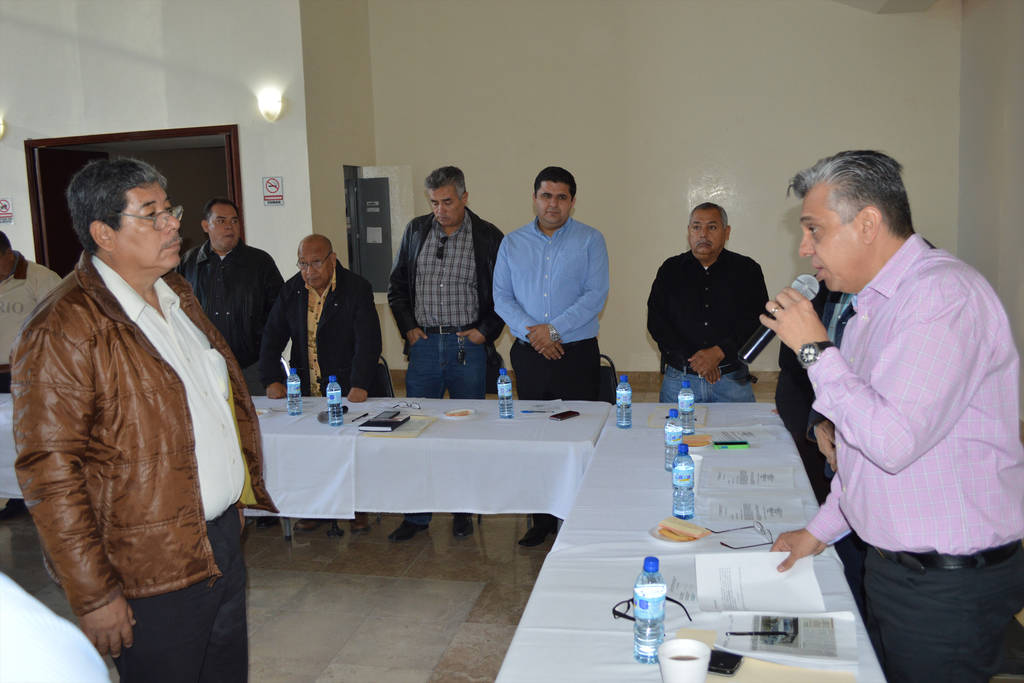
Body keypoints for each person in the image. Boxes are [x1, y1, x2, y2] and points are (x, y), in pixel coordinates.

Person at [11, 158, 277, 682]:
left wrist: (231, 498)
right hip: (148, 565)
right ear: (103, 234)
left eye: (170, 209)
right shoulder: (63, 327)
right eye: (152, 214)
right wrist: (93, 594)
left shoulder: (177, 296)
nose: (173, 223)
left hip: (219, 541)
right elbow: (50, 473)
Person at [766, 150, 1024, 683]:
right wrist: (819, 531)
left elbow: (891, 441)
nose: (804, 248)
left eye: (814, 229)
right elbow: (861, 450)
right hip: (894, 568)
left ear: (867, 224)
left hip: (945, 585)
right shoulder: (873, 306)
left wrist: (814, 350)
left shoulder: (942, 296)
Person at [386, 166, 505, 542]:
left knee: (466, 434)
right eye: (434, 203)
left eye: (447, 202)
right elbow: (397, 287)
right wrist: (408, 326)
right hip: (423, 347)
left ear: (465, 197)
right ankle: (416, 515)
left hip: (466, 346)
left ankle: (462, 509)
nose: (440, 210)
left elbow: (505, 294)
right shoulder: (415, 231)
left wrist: (485, 331)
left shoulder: (488, 236)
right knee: (416, 430)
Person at [493, 166, 609, 546]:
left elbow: (595, 295)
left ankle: (576, 518)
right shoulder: (512, 243)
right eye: (546, 195)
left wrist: (553, 331)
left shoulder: (590, 240)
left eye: (561, 197)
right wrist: (536, 334)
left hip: (576, 354)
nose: (553, 204)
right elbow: (502, 298)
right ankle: (541, 520)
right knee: (536, 437)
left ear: (572, 201)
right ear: (534, 198)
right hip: (530, 356)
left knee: (577, 437)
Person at [259, 234, 381, 533]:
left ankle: (357, 507)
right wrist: (272, 378)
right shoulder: (292, 290)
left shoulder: (356, 288)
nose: (308, 271)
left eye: (315, 263)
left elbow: (368, 341)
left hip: (347, 385)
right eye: (302, 264)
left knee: (350, 448)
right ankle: (319, 508)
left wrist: (360, 383)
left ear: (332, 259)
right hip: (308, 384)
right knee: (312, 449)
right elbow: (272, 336)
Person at [646, 203, 767, 403]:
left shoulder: (747, 270)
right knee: (673, 426)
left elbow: (757, 322)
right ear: (688, 232)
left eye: (712, 227)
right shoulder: (670, 270)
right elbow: (657, 322)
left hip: (732, 380)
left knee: (739, 426)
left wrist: (719, 352)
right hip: (680, 381)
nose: (703, 234)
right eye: (696, 227)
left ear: (726, 232)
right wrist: (697, 360)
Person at [178, 197, 283, 396]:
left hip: (253, 368)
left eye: (234, 221)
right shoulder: (189, 263)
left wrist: (271, 372)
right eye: (221, 221)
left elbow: (279, 317)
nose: (229, 226)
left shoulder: (260, 263)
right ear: (205, 226)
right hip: (205, 369)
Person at [0, 231, 60, 520]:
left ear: (7, 253)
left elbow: (62, 320)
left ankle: (38, 495)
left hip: (27, 371)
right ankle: (14, 495)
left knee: (28, 437)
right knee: (4, 442)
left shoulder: (39, 278)